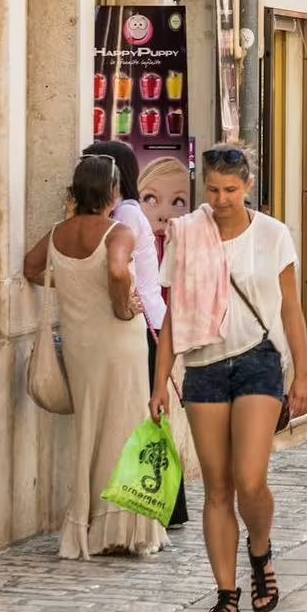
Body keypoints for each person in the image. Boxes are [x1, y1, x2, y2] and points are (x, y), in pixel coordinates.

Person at [151, 145, 307, 612]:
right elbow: (174, 315)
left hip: (258, 360)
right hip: (203, 364)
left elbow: (290, 309)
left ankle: (260, 550)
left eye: (230, 190)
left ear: (247, 186)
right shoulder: (187, 235)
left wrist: (302, 373)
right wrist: (160, 382)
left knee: (250, 480)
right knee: (217, 487)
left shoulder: (273, 235)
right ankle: (226, 593)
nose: (220, 199)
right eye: (213, 190)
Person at [22, 155, 166, 560]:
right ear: (113, 191)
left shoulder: (58, 234)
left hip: (81, 343)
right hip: (120, 341)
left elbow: (32, 268)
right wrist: (122, 306)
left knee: (90, 429)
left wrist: (73, 288)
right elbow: (119, 272)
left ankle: (86, 524)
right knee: (125, 429)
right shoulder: (118, 232)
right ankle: (123, 526)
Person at [83, 139, 188, 529]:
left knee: (148, 416)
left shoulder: (125, 212)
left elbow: (119, 268)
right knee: (150, 416)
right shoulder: (126, 210)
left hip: (144, 324)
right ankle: (168, 504)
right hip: (152, 321)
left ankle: (165, 504)